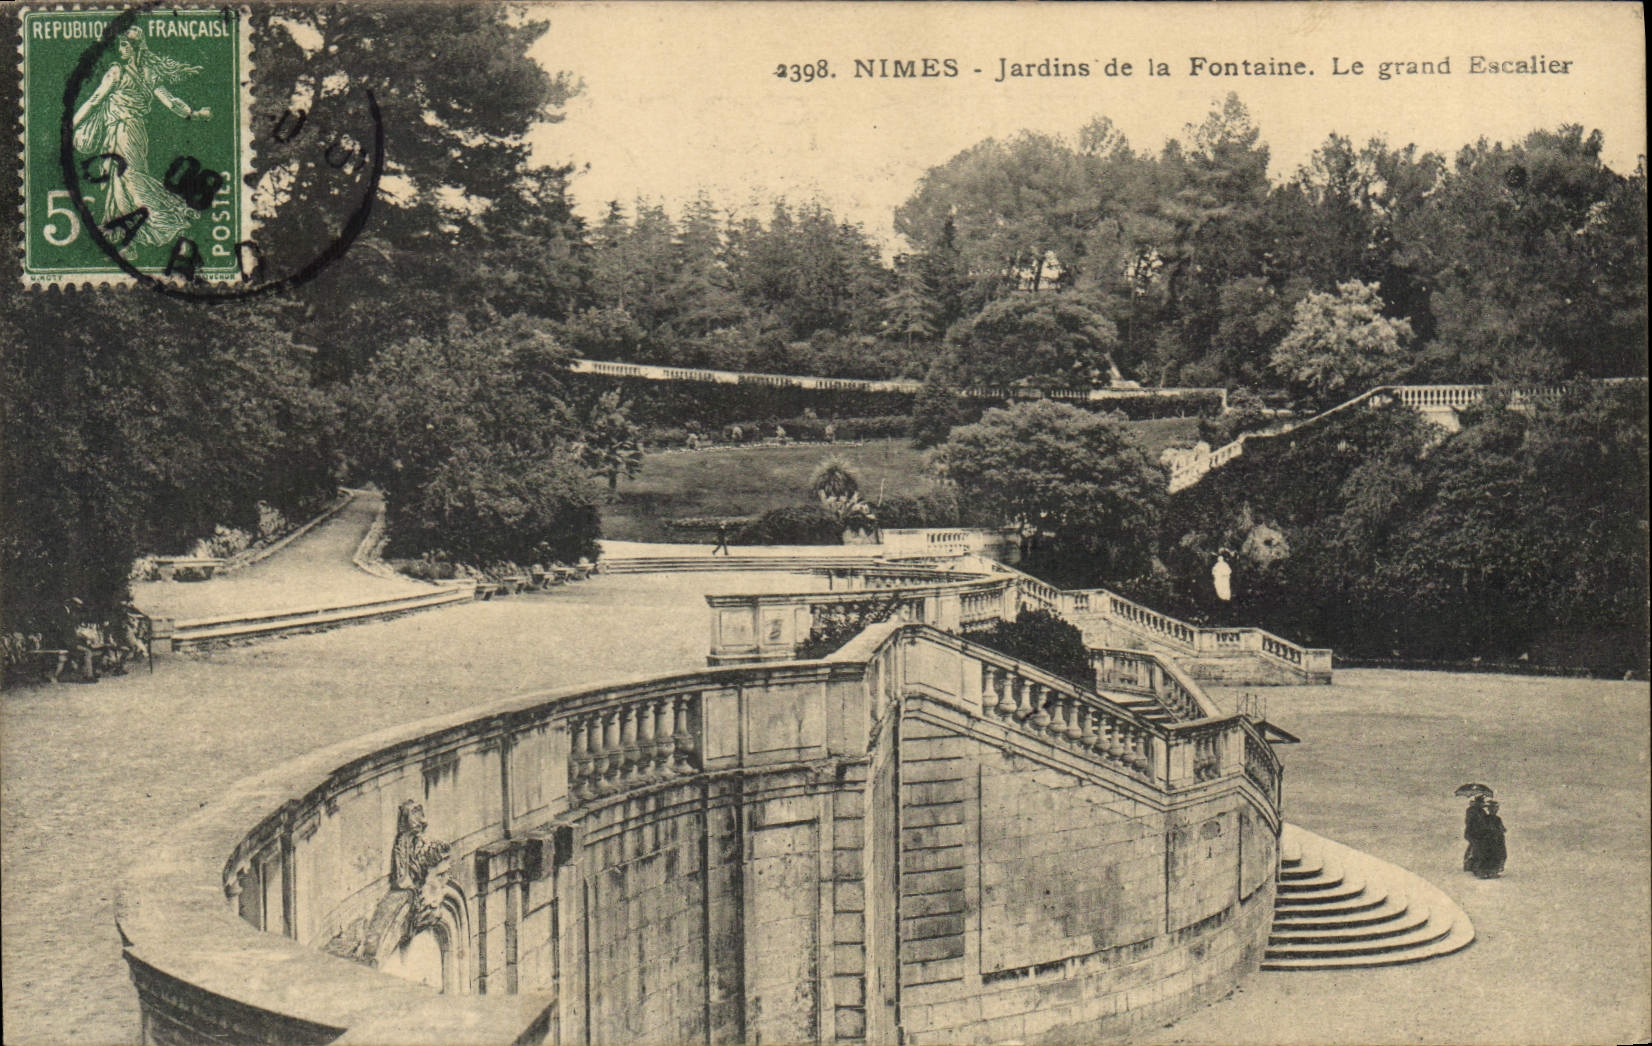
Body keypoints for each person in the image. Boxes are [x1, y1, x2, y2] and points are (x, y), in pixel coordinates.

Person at [72, 28, 212, 251]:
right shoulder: (149, 74)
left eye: (125, 46)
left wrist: (70, 125)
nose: (121, 50)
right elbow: (172, 102)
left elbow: (95, 100)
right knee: (121, 180)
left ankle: (168, 212)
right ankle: (128, 236)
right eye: (120, 46)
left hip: (122, 131)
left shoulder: (117, 72)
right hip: (135, 132)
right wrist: (193, 113)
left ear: (136, 48)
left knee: (126, 179)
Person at [1464, 795, 1507, 878]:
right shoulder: (1477, 812)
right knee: (1483, 852)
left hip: (1482, 835)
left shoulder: (1481, 813)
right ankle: (1482, 870)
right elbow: (1483, 825)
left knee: (1481, 851)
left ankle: (1480, 869)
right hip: (1480, 835)